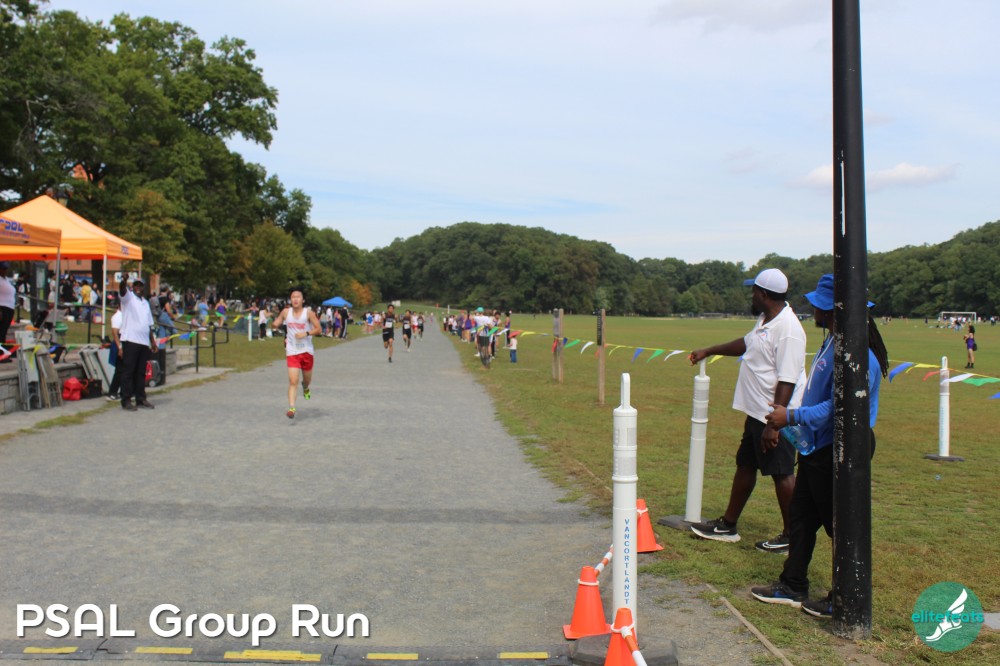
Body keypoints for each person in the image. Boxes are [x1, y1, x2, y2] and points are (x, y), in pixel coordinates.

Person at [750, 274, 888, 617]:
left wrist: (791, 416)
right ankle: (793, 584)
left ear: (831, 310)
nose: (811, 309)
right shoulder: (834, 342)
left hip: (841, 449)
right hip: (820, 447)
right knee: (801, 517)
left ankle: (846, 596)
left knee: (838, 524)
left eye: (817, 304)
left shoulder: (857, 355)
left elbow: (839, 407)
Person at [684, 268, 806, 553]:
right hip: (757, 412)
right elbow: (746, 344)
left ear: (763, 294)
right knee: (746, 464)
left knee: (782, 473)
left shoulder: (788, 330)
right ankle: (728, 525)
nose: (751, 295)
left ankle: (793, 537)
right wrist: (709, 350)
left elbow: (788, 379)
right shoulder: (765, 321)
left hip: (777, 417)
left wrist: (773, 425)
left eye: (753, 291)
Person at [271, 286, 321, 419]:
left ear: (303, 300)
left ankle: (305, 387)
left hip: (306, 350)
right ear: (290, 300)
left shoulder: (308, 313)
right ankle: (292, 408)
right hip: (292, 350)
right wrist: (274, 325)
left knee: (307, 380)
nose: (295, 299)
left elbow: (319, 329)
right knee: (293, 381)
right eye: (293, 297)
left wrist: (306, 333)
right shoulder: (286, 312)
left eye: (298, 297)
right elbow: (276, 323)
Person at [117, 277, 158, 411]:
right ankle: (126, 400)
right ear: (132, 287)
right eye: (136, 285)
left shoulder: (145, 303)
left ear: (144, 287)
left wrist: (153, 342)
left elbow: (149, 324)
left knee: (141, 372)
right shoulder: (129, 298)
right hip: (130, 340)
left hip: (143, 342)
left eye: (140, 285)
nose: (138, 288)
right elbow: (122, 290)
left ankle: (140, 398)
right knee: (128, 372)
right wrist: (123, 281)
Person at [105, 305, 123, 401]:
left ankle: (123, 391)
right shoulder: (117, 316)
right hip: (119, 344)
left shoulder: (125, 315)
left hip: (124, 342)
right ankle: (112, 392)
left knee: (124, 370)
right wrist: (119, 347)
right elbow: (115, 333)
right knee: (119, 370)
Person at [0, 262, 15, 358]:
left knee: (3, 332)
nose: (5, 271)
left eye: (6, 269)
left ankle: (3, 352)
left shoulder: (5, 280)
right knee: (1, 331)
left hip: (9, 308)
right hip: (2, 307)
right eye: (3, 269)